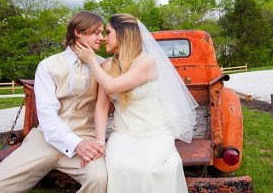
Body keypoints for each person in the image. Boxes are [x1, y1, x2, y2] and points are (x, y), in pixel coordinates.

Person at [0, 11, 108, 193]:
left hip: (86, 138)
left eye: (103, 33)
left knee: (99, 180)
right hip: (45, 140)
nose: (102, 38)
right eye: (97, 32)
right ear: (79, 32)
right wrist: (75, 143)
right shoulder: (48, 65)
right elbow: (47, 116)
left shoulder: (104, 66)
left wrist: (87, 143)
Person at [73, 13, 197, 192]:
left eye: (108, 32)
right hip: (122, 133)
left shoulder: (146, 62)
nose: (104, 38)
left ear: (123, 33)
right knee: (116, 166)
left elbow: (111, 86)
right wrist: (100, 142)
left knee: (149, 169)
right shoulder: (106, 66)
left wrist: (91, 59)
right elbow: (101, 105)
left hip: (154, 133)